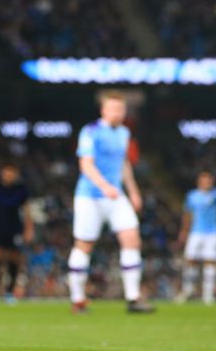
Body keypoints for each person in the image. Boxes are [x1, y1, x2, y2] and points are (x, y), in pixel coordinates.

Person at [66, 90, 155, 314]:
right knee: (84, 245)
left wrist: (133, 191)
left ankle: (133, 298)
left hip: (116, 196)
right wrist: (104, 186)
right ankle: (78, 300)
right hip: (90, 196)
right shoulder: (91, 131)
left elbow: (123, 164)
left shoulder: (124, 133)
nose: (118, 113)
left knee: (132, 239)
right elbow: (85, 165)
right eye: (113, 109)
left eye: (121, 109)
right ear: (103, 110)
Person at [175, 172, 216, 305]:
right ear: (199, 182)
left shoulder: (215, 194)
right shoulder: (192, 196)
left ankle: (208, 295)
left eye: (209, 181)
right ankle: (188, 289)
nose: (207, 183)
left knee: (210, 261)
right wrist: (184, 231)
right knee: (190, 260)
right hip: (196, 232)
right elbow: (187, 214)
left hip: (213, 233)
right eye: (204, 181)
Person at [0, 164, 32, 304]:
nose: (8, 175)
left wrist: (29, 229)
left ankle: (10, 292)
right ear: (2, 173)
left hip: (15, 226)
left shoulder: (21, 189)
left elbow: (27, 209)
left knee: (14, 258)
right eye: (6, 172)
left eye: (11, 172)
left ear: (15, 173)